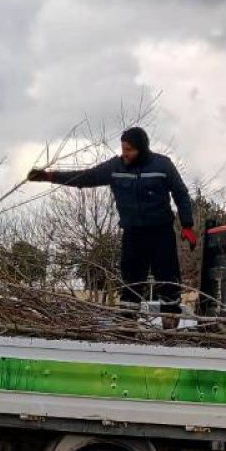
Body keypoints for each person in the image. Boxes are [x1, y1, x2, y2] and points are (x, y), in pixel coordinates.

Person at [27, 127, 196, 314]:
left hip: (161, 233)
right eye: (123, 149)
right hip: (133, 234)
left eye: (129, 150)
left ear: (142, 149)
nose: (125, 154)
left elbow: (181, 193)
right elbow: (84, 177)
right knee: (131, 283)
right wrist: (48, 176)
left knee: (168, 282)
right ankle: (127, 328)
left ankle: (170, 328)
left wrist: (187, 224)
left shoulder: (163, 166)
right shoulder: (115, 168)